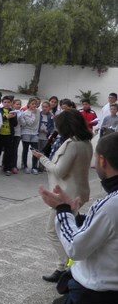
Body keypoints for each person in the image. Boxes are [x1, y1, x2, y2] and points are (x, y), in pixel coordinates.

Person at [37, 131, 118, 304]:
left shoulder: (112, 204)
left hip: (99, 294)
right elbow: (103, 232)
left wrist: (62, 211)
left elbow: (76, 248)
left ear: (102, 160)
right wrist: (74, 215)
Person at [32, 108, 94, 283]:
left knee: (52, 231)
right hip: (79, 191)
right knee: (67, 229)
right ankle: (66, 266)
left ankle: (66, 267)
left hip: (67, 194)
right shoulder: (86, 142)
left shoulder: (72, 144)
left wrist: (42, 158)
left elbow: (60, 171)